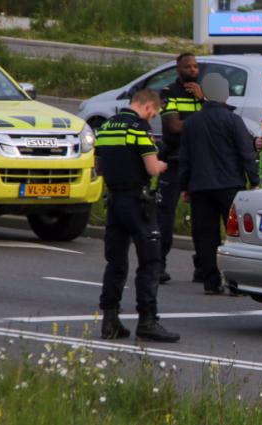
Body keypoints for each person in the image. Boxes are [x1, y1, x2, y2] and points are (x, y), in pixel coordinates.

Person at [95, 88, 180, 343]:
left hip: (114, 202)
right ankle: (148, 321)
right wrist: (165, 164)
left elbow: (98, 167)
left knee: (116, 264)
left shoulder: (107, 127)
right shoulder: (139, 128)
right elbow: (152, 168)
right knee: (150, 262)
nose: (152, 117)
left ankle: (110, 322)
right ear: (148, 107)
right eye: (153, 113)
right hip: (138, 203)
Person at [179, 74, 260, 295]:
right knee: (235, 236)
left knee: (205, 236)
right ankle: (235, 283)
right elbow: (246, 153)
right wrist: (254, 181)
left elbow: (185, 158)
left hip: (200, 187)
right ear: (225, 94)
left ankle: (211, 282)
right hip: (230, 186)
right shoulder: (234, 121)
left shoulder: (192, 122)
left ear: (204, 93)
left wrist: (185, 186)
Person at [157, 52, 205, 284]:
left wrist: (203, 99)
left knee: (202, 217)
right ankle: (158, 265)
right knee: (164, 214)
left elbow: (217, 116)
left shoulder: (204, 92)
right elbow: (174, 126)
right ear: (178, 69)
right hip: (174, 160)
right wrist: (204, 120)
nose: (193, 70)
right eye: (188, 66)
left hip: (200, 162)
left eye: (195, 66)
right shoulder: (168, 93)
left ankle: (203, 267)